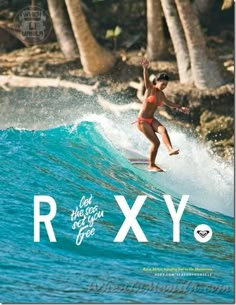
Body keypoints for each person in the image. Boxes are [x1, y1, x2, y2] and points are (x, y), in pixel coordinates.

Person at [136, 58, 190, 172]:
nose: (164, 86)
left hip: (151, 119)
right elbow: (146, 81)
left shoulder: (161, 94)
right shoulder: (151, 89)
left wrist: (180, 107)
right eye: (162, 83)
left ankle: (170, 149)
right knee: (156, 143)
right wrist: (145, 68)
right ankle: (151, 165)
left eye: (166, 84)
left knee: (163, 129)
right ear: (156, 81)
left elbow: (169, 103)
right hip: (142, 121)